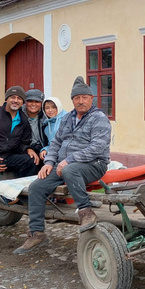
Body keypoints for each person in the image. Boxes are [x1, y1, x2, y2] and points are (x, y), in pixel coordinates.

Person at [14, 76, 111, 254]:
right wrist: (49, 162)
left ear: (91, 99)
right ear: (72, 100)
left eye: (84, 97)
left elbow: (97, 147)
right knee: (37, 186)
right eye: (76, 98)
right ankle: (37, 233)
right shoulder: (67, 118)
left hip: (94, 164)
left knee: (69, 169)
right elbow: (56, 143)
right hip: (64, 167)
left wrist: (68, 160)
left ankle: (86, 212)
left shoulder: (99, 118)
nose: (80, 101)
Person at [23, 89, 48, 165]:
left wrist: (46, 149)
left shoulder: (46, 116)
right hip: (23, 148)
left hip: (42, 148)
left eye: (37, 101)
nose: (33, 104)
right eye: (30, 101)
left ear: (42, 103)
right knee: (31, 161)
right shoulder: (19, 114)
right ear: (25, 102)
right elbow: (7, 108)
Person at [39, 96, 67, 161]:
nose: (50, 110)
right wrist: (45, 149)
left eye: (54, 107)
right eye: (47, 108)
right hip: (54, 155)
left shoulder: (67, 120)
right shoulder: (47, 126)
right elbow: (51, 144)